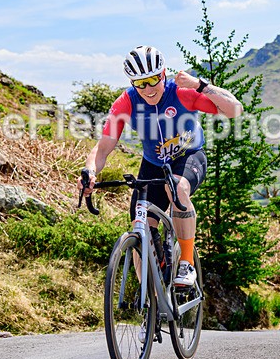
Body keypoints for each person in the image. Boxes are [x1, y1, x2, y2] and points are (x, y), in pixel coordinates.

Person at [78, 45, 243, 287]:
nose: (148, 88)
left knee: (175, 187)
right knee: (140, 226)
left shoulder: (182, 92)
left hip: (188, 156)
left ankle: (186, 262)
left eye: (154, 79)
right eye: (140, 83)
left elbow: (234, 110)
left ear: (163, 73)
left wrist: (200, 85)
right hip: (153, 165)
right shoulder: (127, 102)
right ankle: (151, 308)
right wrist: (90, 171)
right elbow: (103, 148)